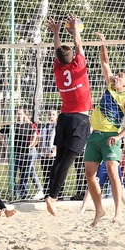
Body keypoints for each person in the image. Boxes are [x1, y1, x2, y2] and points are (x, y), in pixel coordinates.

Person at [84, 32, 125, 226]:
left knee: (113, 171)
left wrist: (119, 136)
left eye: (120, 76)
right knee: (89, 174)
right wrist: (103, 42)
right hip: (94, 136)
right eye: (117, 75)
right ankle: (99, 210)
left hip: (110, 136)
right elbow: (105, 62)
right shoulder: (110, 86)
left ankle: (118, 212)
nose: (117, 76)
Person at [45, 15, 92, 216]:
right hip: (79, 120)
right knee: (66, 161)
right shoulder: (78, 66)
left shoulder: (58, 69)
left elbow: (60, 51)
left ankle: (51, 195)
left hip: (63, 118)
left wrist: (56, 32)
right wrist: (75, 30)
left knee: (59, 160)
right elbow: (78, 45)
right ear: (72, 57)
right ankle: (53, 197)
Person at [0, 108, 38, 201]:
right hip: (15, 155)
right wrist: (6, 145)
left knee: (24, 175)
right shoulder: (12, 125)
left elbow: (35, 135)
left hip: (26, 154)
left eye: (20, 114)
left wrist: (31, 145)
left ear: (24, 115)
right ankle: (14, 194)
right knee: (13, 175)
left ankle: (24, 195)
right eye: (17, 114)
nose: (19, 115)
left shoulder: (28, 126)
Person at [37, 110, 57, 191]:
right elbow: (40, 140)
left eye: (53, 114)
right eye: (50, 114)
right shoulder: (44, 127)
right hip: (44, 154)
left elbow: (61, 141)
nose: (51, 116)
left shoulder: (58, 127)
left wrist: (53, 151)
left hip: (54, 154)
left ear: (56, 116)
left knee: (55, 174)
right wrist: (44, 151)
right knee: (45, 174)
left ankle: (56, 192)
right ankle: (46, 192)